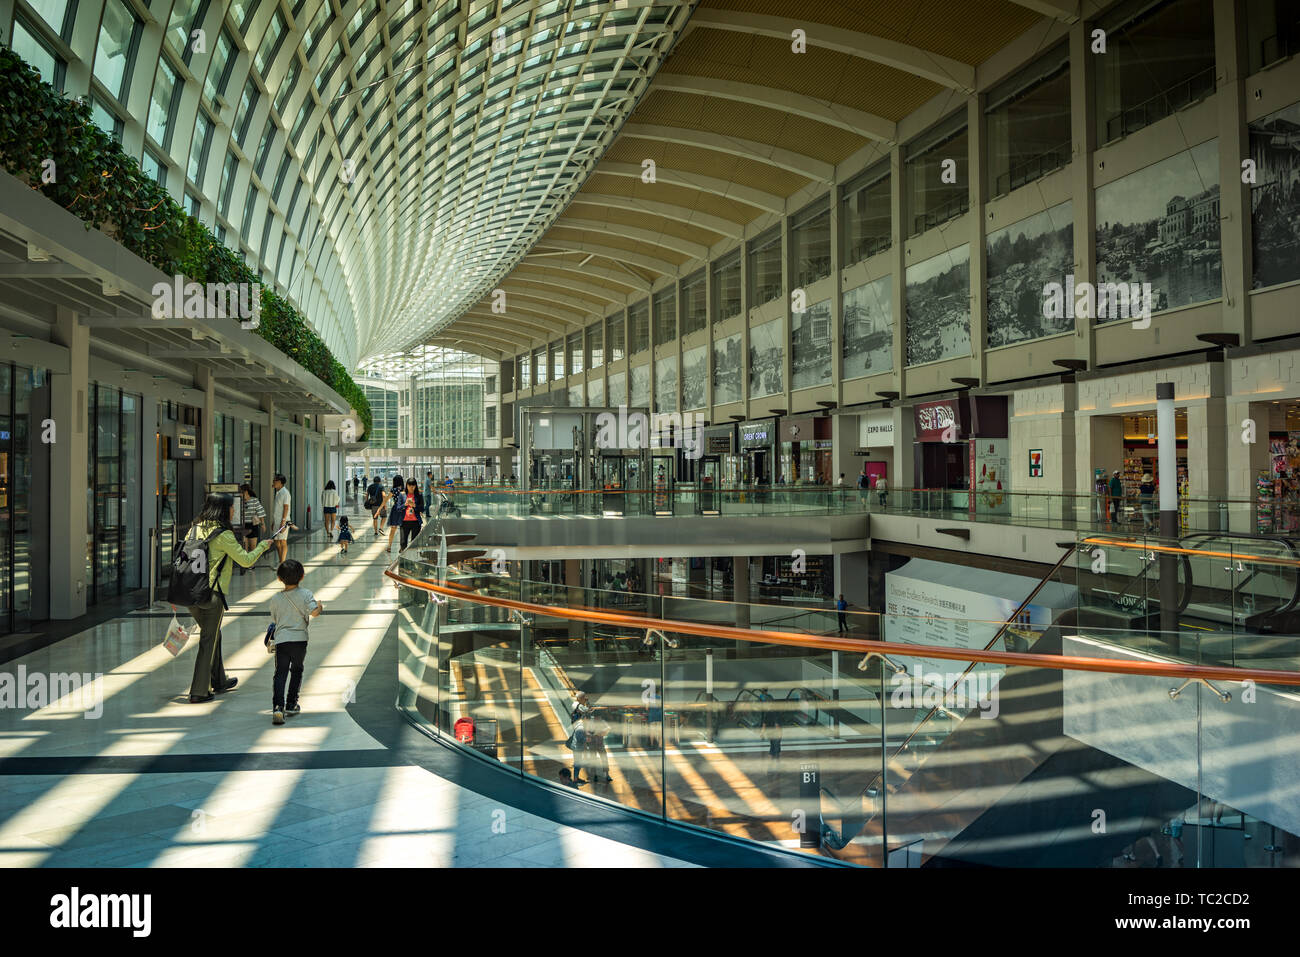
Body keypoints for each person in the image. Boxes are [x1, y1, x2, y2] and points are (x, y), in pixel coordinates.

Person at [184, 493, 272, 703]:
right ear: (223, 510)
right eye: (231, 507)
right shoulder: (223, 535)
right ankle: (199, 691)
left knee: (214, 635)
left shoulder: (194, 528)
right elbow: (246, 560)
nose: (234, 511)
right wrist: (262, 546)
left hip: (190, 594)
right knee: (208, 639)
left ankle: (219, 680)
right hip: (211, 595)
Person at [268, 558, 322, 725]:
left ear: (279, 578)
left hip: (282, 640)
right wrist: (320, 606)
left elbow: (274, 618)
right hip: (300, 640)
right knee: (296, 670)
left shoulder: (276, 598)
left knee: (280, 672)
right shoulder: (306, 594)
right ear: (302, 576)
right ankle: (292, 703)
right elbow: (314, 613)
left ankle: (278, 706)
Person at [238, 484, 267, 575]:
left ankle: (252, 564)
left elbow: (260, 512)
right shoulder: (239, 501)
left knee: (253, 546)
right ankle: (246, 564)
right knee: (244, 546)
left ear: (246, 492)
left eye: (241, 492)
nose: (240, 494)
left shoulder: (254, 500)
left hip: (252, 526)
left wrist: (263, 524)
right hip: (243, 526)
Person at [569, 691, 592, 785]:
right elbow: (588, 710)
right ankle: (575, 779)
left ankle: (576, 777)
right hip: (578, 745)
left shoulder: (575, 704)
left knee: (578, 761)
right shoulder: (579, 706)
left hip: (577, 743)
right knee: (578, 762)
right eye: (584, 698)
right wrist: (586, 741)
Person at [756, 687, 782, 768]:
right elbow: (777, 724)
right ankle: (776, 761)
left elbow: (764, 724)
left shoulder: (761, 698)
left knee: (772, 745)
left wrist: (762, 733)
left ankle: (772, 761)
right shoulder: (770, 697)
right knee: (776, 746)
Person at [399, 477, 424, 551]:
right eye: (409, 485)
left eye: (413, 485)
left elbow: (422, 508)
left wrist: (415, 506)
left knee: (414, 544)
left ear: (415, 486)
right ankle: (403, 560)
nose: (411, 487)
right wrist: (405, 504)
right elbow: (398, 508)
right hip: (404, 522)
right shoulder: (402, 495)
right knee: (403, 543)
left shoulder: (419, 495)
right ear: (406, 485)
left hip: (415, 522)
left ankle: (412, 559)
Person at [271, 473, 292, 563]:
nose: (273, 482)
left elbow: (286, 507)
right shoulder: (278, 493)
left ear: (280, 482)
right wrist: (274, 522)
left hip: (283, 521)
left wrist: (283, 521)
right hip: (277, 520)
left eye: (274, 480)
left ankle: (282, 562)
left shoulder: (285, 493)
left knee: (283, 541)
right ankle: (281, 561)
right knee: (277, 541)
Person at [385, 475, 406, 553]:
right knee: (403, 529)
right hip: (403, 510)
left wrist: (384, 505)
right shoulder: (405, 490)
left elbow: (387, 499)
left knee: (393, 529)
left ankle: (389, 547)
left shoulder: (394, 490)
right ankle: (402, 548)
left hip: (396, 510)